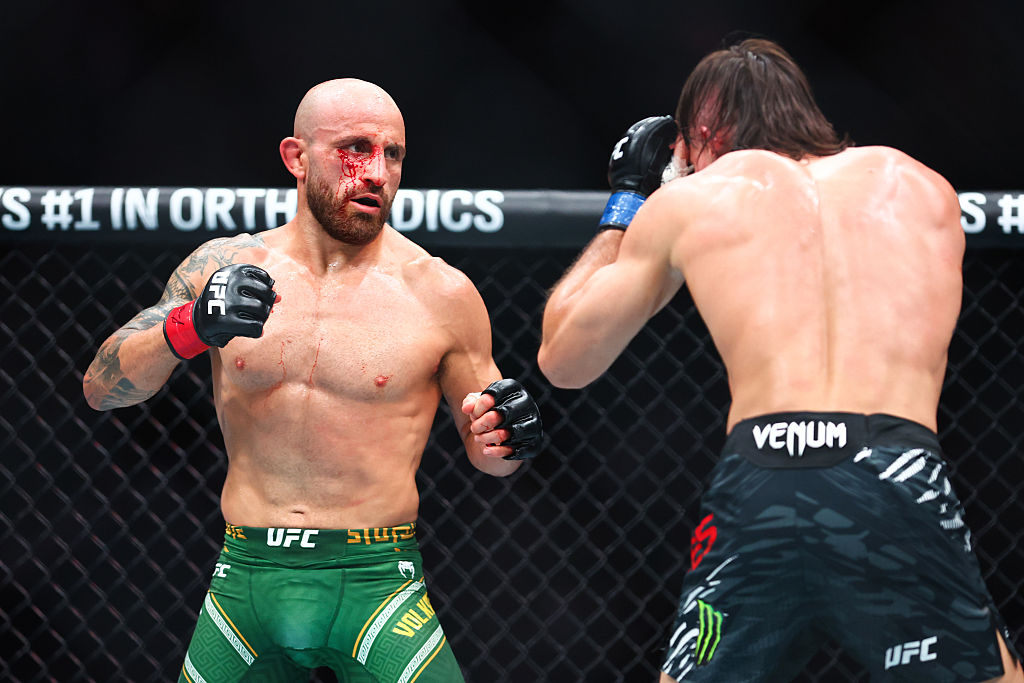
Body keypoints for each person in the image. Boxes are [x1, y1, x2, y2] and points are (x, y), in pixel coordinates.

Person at [538, 38, 1022, 683]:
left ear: (701, 133)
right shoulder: (919, 187)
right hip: (893, 467)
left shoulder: (693, 201)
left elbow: (564, 359)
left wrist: (632, 199)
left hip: (762, 474)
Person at [83, 78, 542, 682]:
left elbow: (491, 451)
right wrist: (190, 327)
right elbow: (102, 386)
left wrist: (504, 442)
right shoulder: (222, 267)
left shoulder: (442, 294)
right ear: (296, 158)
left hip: (377, 584)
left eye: (393, 154)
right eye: (355, 148)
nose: (376, 172)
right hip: (244, 581)